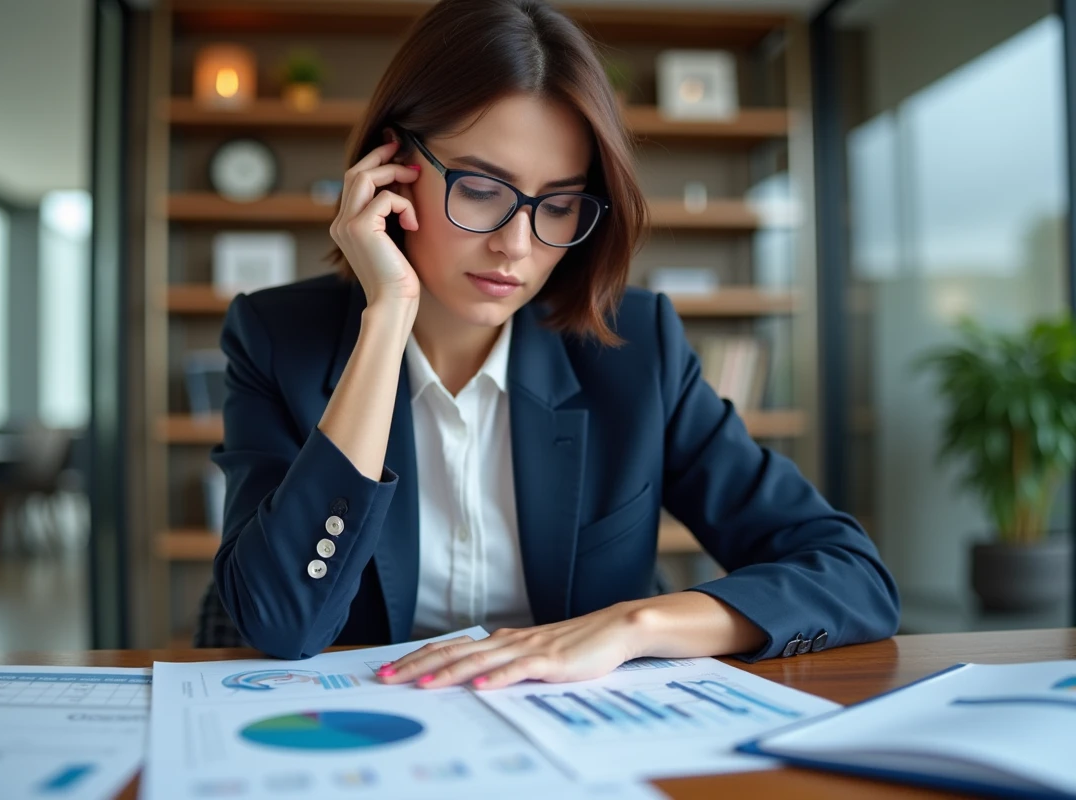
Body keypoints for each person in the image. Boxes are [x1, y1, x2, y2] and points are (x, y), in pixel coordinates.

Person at [194, 0, 899, 690]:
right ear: (391, 167)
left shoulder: (635, 348)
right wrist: (387, 317)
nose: (516, 245)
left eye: (558, 205)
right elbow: (282, 621)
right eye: (479, 189)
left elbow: (847, 574)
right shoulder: (277, 339)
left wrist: (631, 627)